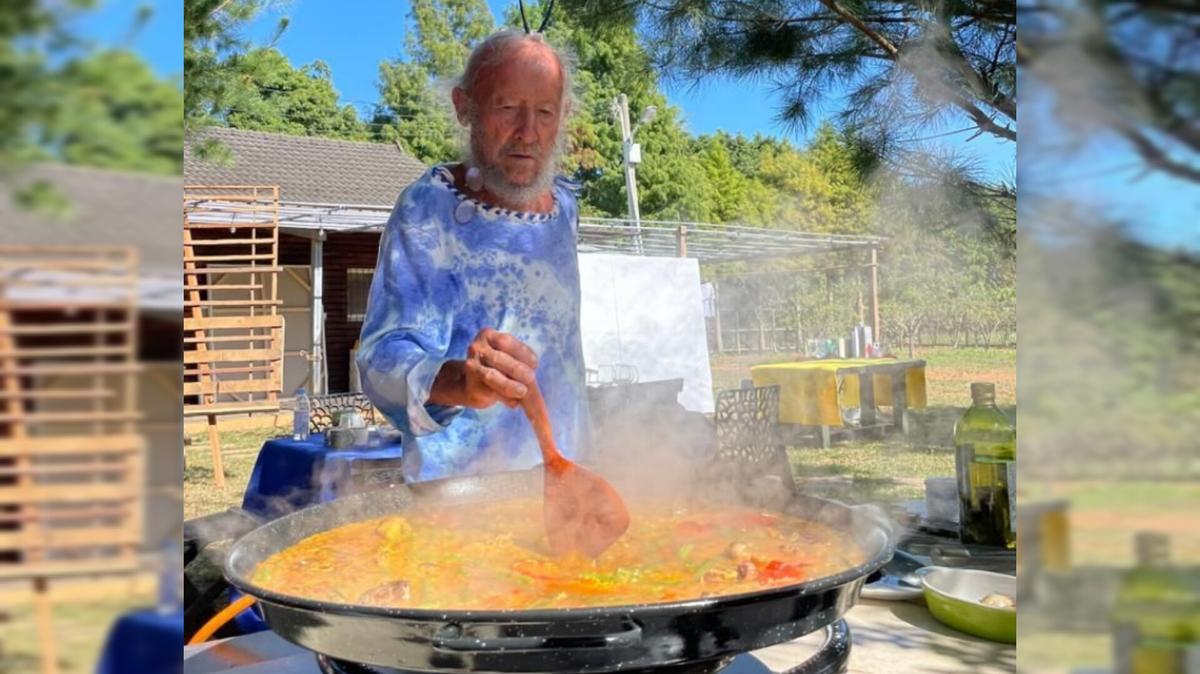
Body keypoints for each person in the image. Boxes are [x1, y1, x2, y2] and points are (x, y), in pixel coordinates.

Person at [356, 29, 589, 481]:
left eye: (545, 112)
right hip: (462, 494)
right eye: (507, 108)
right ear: (465, 107)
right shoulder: (429, 208)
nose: (528, 133)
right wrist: (461, 381)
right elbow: (382, 358)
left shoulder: (565, 206)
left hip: (570, 478)